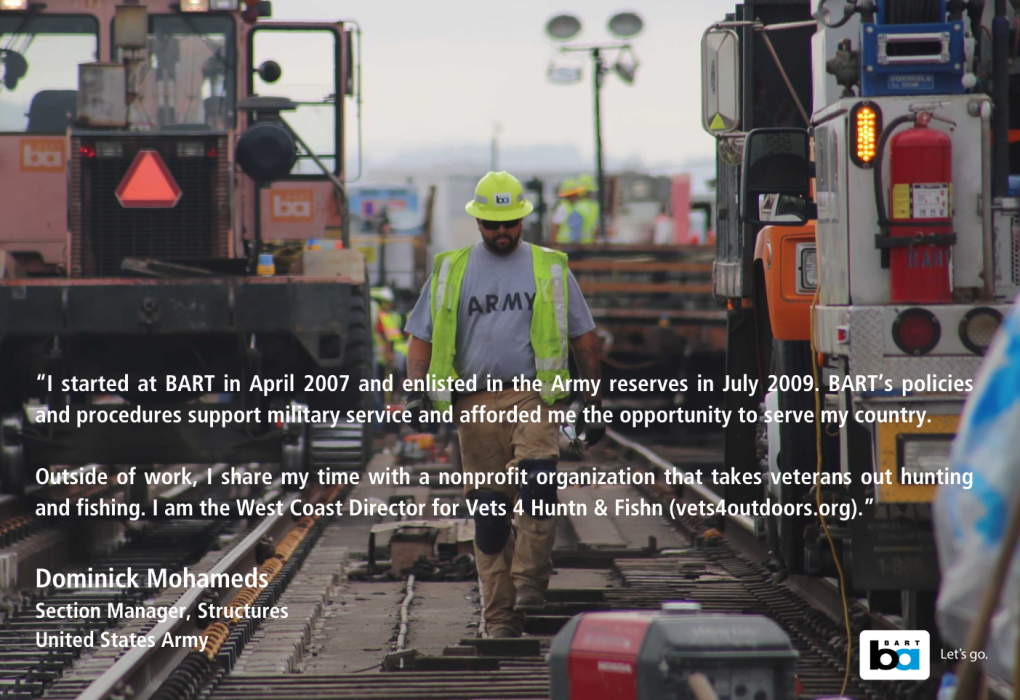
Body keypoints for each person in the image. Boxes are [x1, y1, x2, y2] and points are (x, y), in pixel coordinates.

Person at [403, 171, 605, 639]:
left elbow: (584, 338)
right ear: (478, 222)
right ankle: (500, 619)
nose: (502, 232)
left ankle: (530, 582)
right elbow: (420, 339)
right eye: (493, 224)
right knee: (491, 518)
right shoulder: (451, 269)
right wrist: (415, 391)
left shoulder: (550, 267)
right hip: (474, 403)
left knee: (538, 481)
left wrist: (592, 400)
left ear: (521, 220)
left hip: (532, 394)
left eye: (510, 223)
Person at [549, 178, 586, 244]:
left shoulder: (574, 207)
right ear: (572, 195)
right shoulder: (563, 207)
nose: (578, 196)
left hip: (571, 244)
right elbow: (555, 226)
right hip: (564, 244)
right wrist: (553, 245)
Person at [574, 174, 600, 243]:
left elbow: (575, 232)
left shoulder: (577, 206)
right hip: (589, 245)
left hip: (575, 246)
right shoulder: (594, 206)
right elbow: (595, 229)